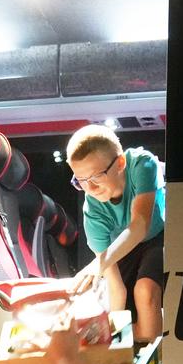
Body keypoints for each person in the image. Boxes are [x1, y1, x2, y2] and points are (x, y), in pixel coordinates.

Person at [66, 124, 164, 343]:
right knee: (124, 310)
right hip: (120, 250)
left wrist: (97, 264)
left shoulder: (141, 164)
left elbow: (140, 225)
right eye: (81, 181)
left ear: (120, 163)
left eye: (96, 176)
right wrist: (113, 336)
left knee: (145, 291)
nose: (90, 189)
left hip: (158, 236)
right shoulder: (93, 213)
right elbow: (116, 287)